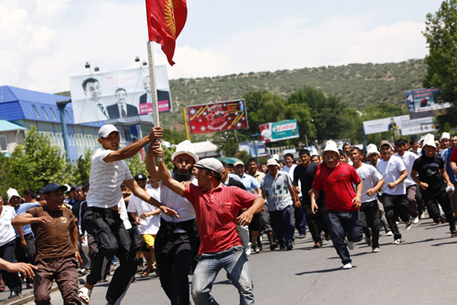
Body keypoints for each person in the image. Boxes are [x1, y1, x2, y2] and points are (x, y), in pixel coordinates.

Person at [153, 143, 265, 305]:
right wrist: (160, 158)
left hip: (232, 250)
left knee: (246, 289)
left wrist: (249, 211)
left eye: (199, 170)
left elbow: (259, 200)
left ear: (210, 174)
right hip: (208, 254)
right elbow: (168, 180)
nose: (194, 173)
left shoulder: (231, 191)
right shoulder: (195, 192)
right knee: (198, 293)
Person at [78, 124, 167, 305]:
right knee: (109, 247)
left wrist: (160, 205)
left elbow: (136, 189)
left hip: (113, 216)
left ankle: (112, 300)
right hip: (94, 212)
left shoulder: (122, 164)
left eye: (116, 136)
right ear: (100, 141)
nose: (115, 139)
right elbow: (125, 153)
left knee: (130, 260)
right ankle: (88, 285)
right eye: (110, 137)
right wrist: (148, 138)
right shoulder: (100, 155)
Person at [146, 139, 199, 305]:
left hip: (188, 234)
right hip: (166, 232)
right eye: (180, 160)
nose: (183, 164)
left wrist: (192, 186)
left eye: (188, 161)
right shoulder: (165, 177)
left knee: (179, 272)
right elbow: (150, 169)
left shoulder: (198, 184)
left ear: (193, 164)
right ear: (173, 162)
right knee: (165, 277)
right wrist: (151, 153)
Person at [12, 183, 83, 305]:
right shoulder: (37, 211)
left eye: (61, 194)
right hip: (44, 262)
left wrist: (76, 250)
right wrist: (35, 219)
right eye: (56, 194)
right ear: (46, 197)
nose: (60, 197)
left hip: (66, 260)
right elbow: (16, 221)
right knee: (41, 299)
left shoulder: (66, 212)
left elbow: (73, 228)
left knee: (71, 297)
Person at [311, 140, 363, 270]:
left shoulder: (348, 168)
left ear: (337, 155)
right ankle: (346, 260)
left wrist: (358, 196)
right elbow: (315, 189)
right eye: (326, 153)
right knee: (336, 236)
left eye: (332, 153)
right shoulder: (320, 172)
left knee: (357, 235)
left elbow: (359, 182)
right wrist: (313, 201)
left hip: (351, 207)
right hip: (332, 210)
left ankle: (351, 239)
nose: (329, 155)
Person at [412, 134, 456, 236]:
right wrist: (420, 183)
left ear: (435, 148)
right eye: (427, 147)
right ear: (423, 148)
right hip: (427, 191)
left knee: (448, 210)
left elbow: (443, 171)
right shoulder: (419, 161)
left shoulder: (438, 158)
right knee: (435, 213)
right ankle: (436, 217)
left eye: (431, 147)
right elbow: (412, 175)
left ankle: (453, 230)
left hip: (440, 188)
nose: (429, 149)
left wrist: (448, 181)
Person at [350, 147, 384, 252]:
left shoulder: (369, 168)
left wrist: (374, 190)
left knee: (375, 224)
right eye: (351, 154)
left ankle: (375, 245)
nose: (353, 156)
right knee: (362, 224)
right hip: (358, 202)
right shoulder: (349, 170)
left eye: (355, 154)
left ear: (361, 155)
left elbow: (381, 180)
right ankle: (367, 235)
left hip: (371, 200)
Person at [377, 140, 411, 244]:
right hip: (387, 193)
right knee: (389, 214)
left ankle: (407, 219)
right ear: (380, 151)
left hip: (400, 191)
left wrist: (395, 183)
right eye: (383, 149)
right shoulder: (379, 164)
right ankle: (397, 236)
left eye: (387, 148)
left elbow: (404, 174)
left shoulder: (396, 160)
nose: (385, 151)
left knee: (404, 212)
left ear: (391, 150)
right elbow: (379, 178)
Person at [127, 174, 161, 277]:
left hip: (157, 225)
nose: (141, 184)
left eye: (143, 182)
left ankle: (155, 266)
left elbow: (161, 209)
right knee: (152, 246)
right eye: (139, 182)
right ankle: (157, 266)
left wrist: (149, 214)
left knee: (157, 248)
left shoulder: (153, 193)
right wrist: (136, 218)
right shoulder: (134, 196)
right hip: (144, 227)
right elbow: (132, 211)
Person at [261, 158, 299, 250]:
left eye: (273, 166)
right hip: (272, 206)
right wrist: (262, 204)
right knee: (276, 225)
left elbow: (291, 188)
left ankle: (289, 241)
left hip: (285, 203)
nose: (272, 168)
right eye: (270, 167)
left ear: (277, 166)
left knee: (288, 223)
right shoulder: (265, 179)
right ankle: (282, 242)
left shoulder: (284, 175)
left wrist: (295, 200)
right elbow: (263, 193)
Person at [293, 149, 328, 248]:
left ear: (309, 157)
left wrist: (314, 189)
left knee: (323, 217)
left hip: (319, 195)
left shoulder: (316, 167)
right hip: (306, 197)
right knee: (310, 217)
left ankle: (327, 231)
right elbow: (294, 181)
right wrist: (295, 187)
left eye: (305, 156)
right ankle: (317, 240)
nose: (303, 159)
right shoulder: (298, 169)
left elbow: (322, 180)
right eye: (301, 157)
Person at [11, 188, 42, 289]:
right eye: (12, 199)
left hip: (28, 235)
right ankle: (29, 279)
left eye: (16, 198)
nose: (15, 200)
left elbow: (41, 203)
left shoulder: (26, 206)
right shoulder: (9, 210)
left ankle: (39, 276)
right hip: (15, 238)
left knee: (32, 255)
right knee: (21, 259)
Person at [245, 158, 276, 252]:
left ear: (257, 166)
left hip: (263, 202)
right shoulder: (245, 178)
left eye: (253, 165)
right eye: (250, 165)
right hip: (250, 204)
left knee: (265, 220)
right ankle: (258, 244)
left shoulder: (263, 176)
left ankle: (272, 241)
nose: (252, 167)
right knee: (255, 224)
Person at [0, 193, 22, 299]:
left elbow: (16, 223)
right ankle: (11, 286)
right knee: (3, 268)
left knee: (8, 263)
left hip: (9, 241)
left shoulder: (9, 210)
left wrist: (22, 239)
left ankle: (15, 289)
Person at [394, 139, 420, 224]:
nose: (399, 149)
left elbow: (420, 162)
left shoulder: (411, 155)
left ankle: (415, 214)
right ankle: (407, 217)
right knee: (402, 203)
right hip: (400, 184)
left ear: (404, 146)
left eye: (401, 146)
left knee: (411, 198)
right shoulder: (394, 157)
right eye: (397, 147)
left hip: (411, 182)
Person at [282, 153, 306, 239]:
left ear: (292, 159)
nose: (287, 161)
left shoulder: (296, 168)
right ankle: (292, 232)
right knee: (291, 214)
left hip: (298, 193)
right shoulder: (283, 170)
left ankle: (302, 230)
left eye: (289, 159)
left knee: (299, 213)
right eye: (286, 159)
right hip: (288, 194)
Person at [442, 134, 457, 215]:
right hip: (451, 180)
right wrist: (445, 179)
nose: (454, 142)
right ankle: (454, 215)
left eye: (455, 140)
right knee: (453, 200)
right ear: (450, 142)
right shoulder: (446, 152)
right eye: (452, 141)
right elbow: (441, 166)